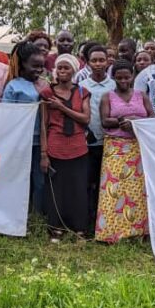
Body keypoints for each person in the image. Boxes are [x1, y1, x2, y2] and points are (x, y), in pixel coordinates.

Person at [95, 59, 154, 242]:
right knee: (114, 188)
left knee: (137, 190)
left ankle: (138, 231)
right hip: (115, 147)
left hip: (138, 147)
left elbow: (152, 116)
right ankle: (111, 232)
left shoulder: (141, 95)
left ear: (132, 77)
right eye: (119, 77)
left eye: (126, 77)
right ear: (113, 77)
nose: (123, 81)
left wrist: (136, 121)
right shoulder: (107, 96)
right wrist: (124, 120)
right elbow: (105, 120)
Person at [40, 54, 92, 241]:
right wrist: (44, 153)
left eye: (66, 68)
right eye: (59, 68)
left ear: (73, 70)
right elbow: (44, 124)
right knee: (57, 189)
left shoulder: (82, 92)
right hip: (55, 146)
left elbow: (85, 119)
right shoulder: (47, 93)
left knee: (78, 188)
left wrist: (61, 107)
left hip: (78, 147)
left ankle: (79, 228)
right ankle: (56, 227)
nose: (62, 71)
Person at [3, 41, 48, 214]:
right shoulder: (13, 86)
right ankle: (17, 213)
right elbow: (6, 114)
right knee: (19, 178)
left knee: (39, 180)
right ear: (23, 64)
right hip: (20, 141)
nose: (38, 70)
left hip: (40, 142)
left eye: (41, 67)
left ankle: (37, 215)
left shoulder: (45, 84)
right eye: (34, 66)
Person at [79, 46, 116, 227]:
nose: (98, 64)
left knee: (106, 182)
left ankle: (105, 221)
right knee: (88, 181)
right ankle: (88, 219)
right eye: (94, 60)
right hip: (88, 142)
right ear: (88, 63)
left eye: (102, 60)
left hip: (110, 142)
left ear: (108, 61)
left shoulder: (115, 84)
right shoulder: (82, 85)